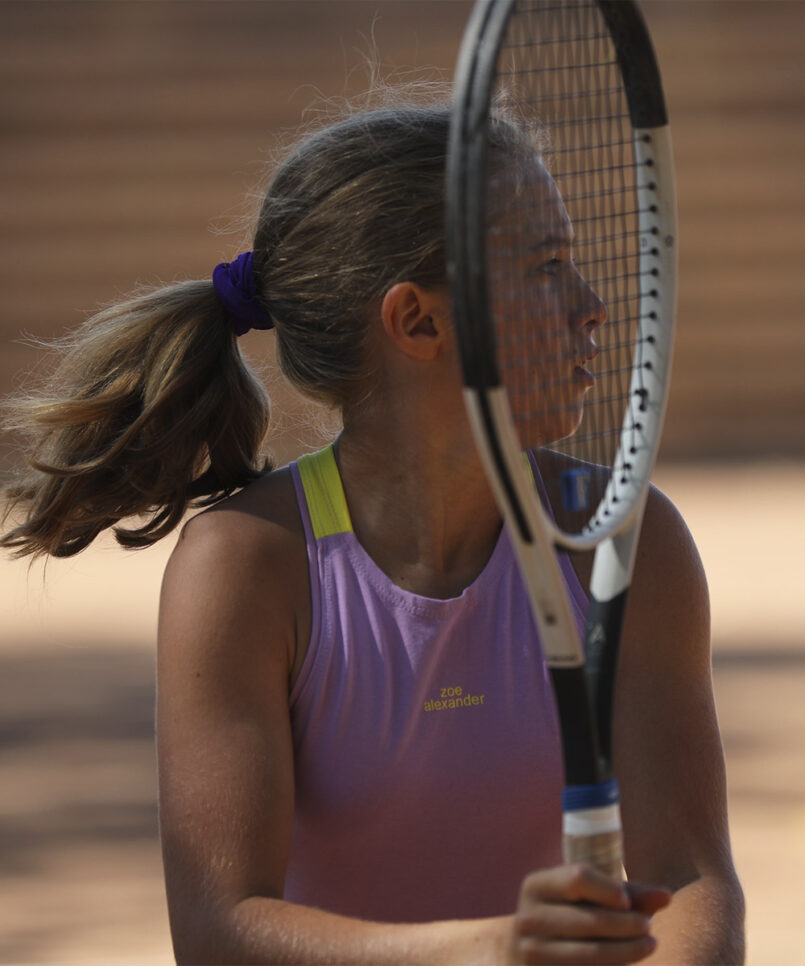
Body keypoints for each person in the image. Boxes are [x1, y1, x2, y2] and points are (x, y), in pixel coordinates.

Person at [1, 102, 744, 965]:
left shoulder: (626, 540)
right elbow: (218, 930)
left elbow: (689, 879)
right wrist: (498, 949)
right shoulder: (246, 566)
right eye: (547, 268)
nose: (592, 306)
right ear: (417, 321)